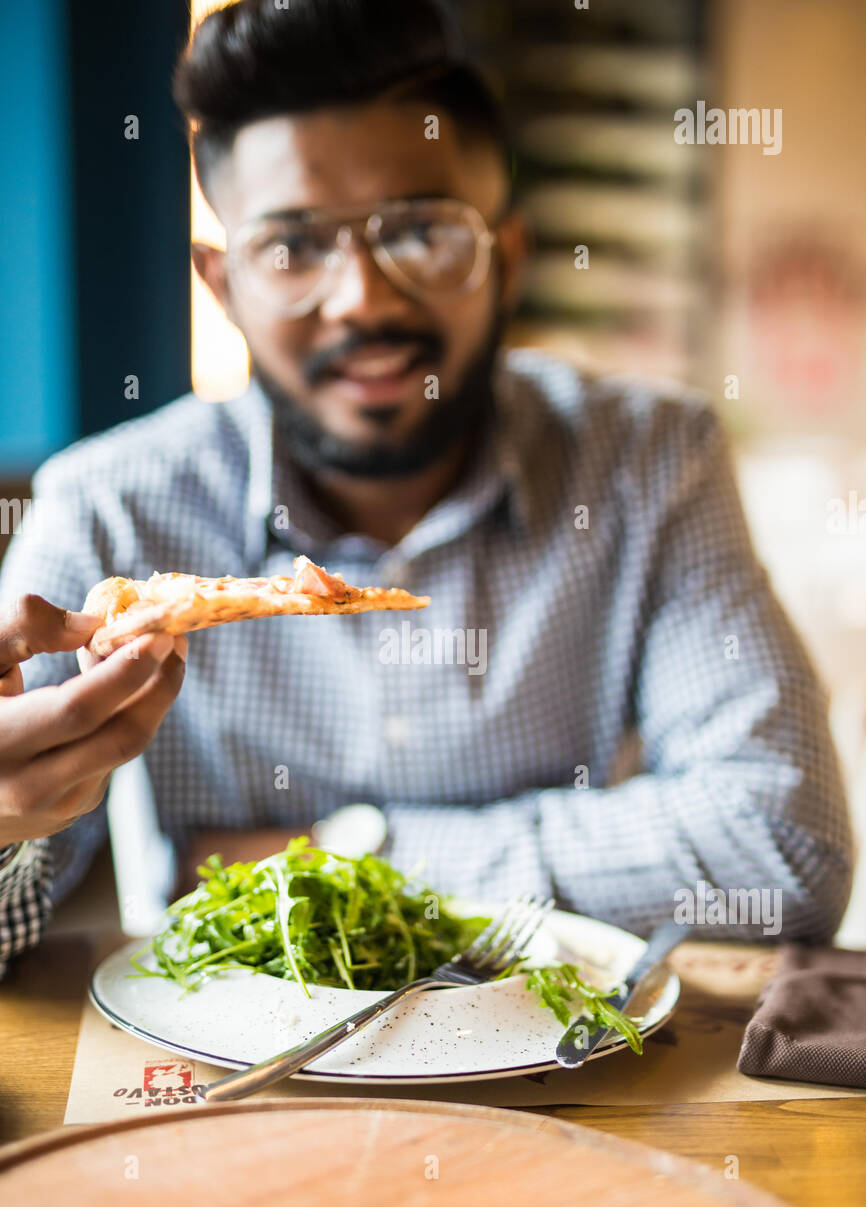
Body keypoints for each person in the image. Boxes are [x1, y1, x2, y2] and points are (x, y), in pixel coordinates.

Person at [0, 0, 853, 969]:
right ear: (224, 283)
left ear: (508, 257)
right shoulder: (108, 507)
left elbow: (787, 843)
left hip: (572, 1069)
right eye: (292, 246)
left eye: (421, 232)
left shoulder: (651, 461)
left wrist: (337, 853)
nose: (362, 297)